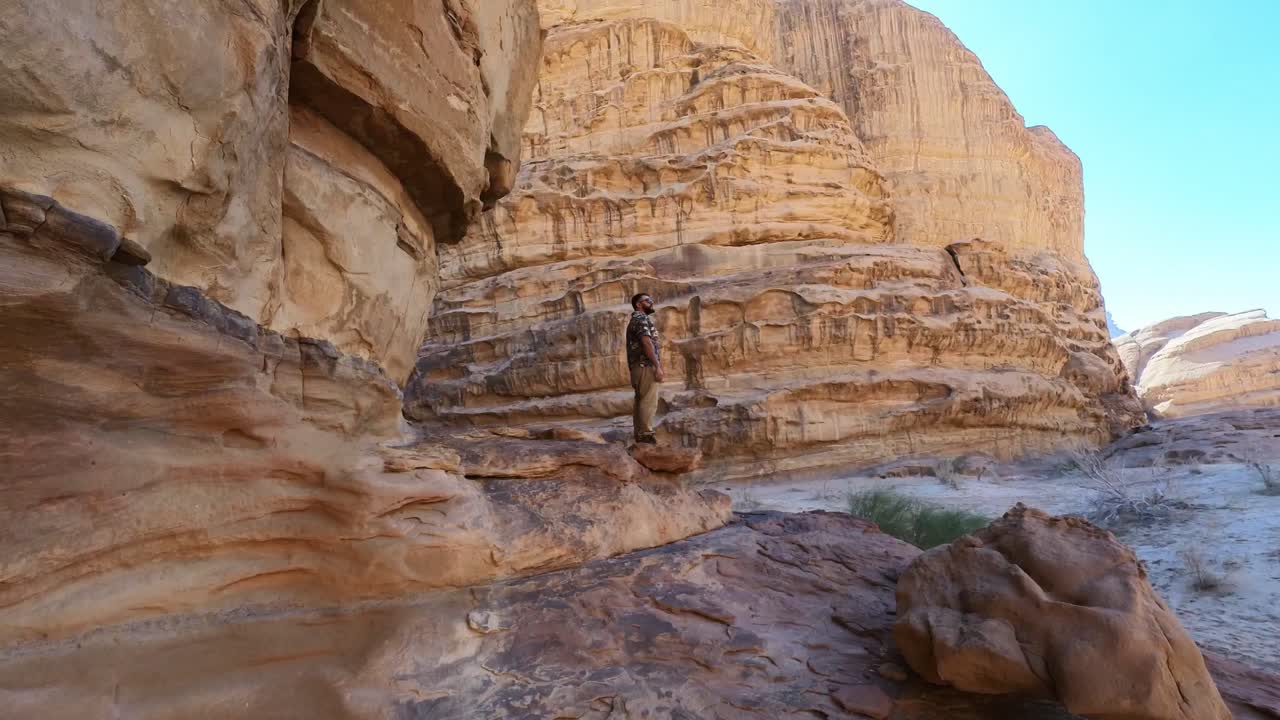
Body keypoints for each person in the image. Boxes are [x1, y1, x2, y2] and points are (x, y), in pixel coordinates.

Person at [626, 292, 664, 444]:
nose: (651, 302)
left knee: (641, 401)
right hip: (645, 366)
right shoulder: (641, 319)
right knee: (648, 400)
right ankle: (646, 435)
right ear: (638, 304)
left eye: (651, 300)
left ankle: (640, 436)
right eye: (647, 300)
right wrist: (657, 365)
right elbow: (646, 343)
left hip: (637, 367)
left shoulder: (635, 320)